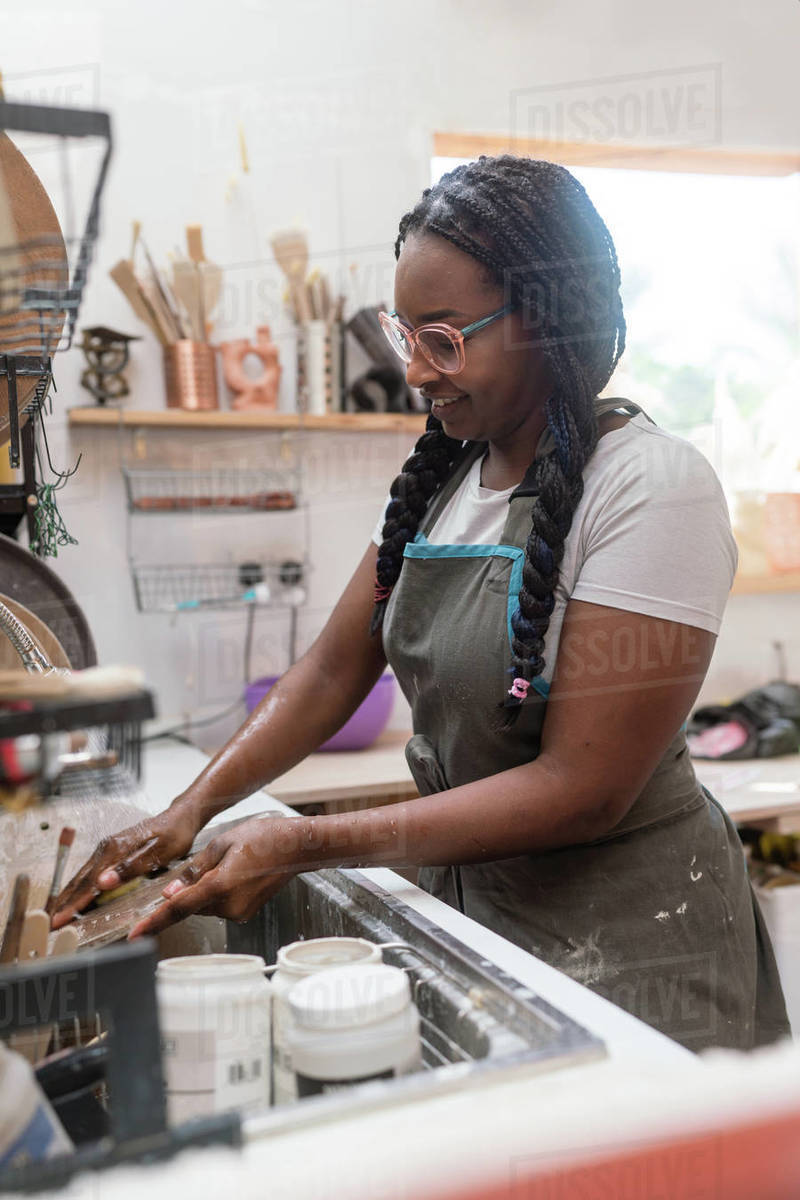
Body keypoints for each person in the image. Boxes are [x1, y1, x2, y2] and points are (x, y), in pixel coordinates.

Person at [53, 156, 789, 1052]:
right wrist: (187, 811)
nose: (415, 372)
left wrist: (303, 844)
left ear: (548, 322)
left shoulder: (651, 485)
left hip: (636, 947)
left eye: (444, 339)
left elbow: (583, 790)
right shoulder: (439, 484)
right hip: (482, 920)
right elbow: (328, 673)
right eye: (405, 336)